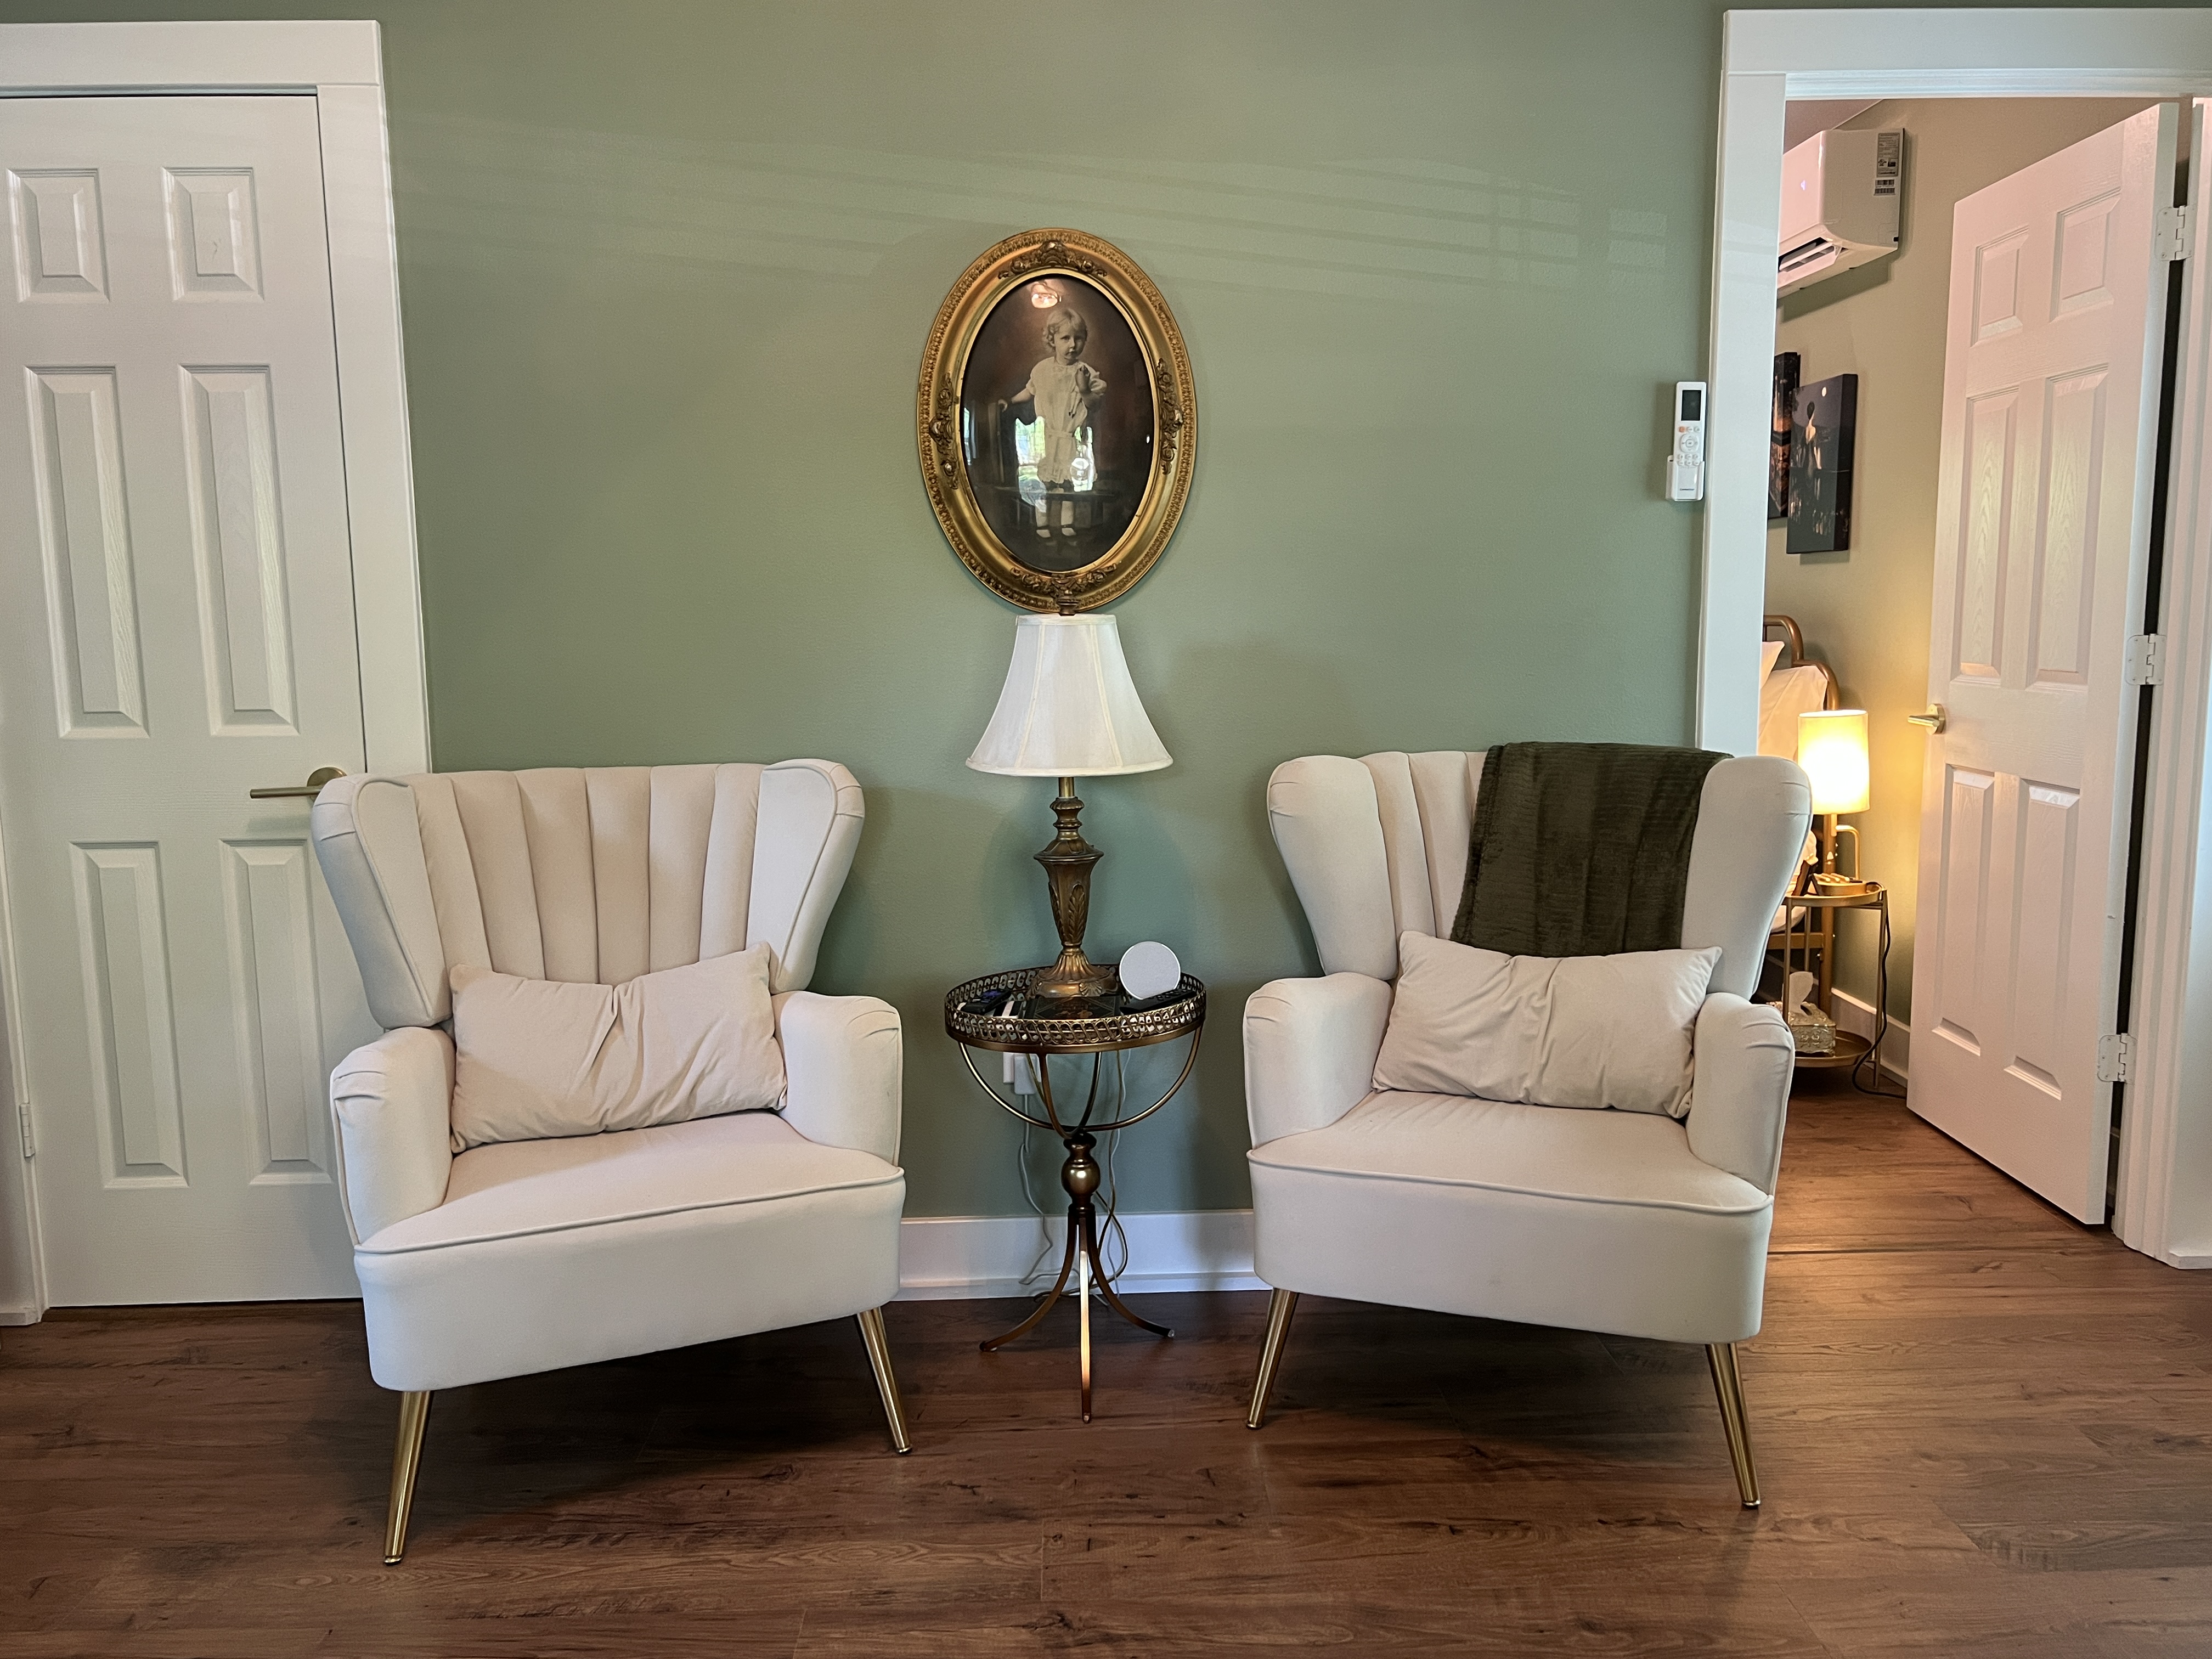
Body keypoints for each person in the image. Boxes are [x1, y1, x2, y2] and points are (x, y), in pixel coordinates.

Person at [1008, 305, 1104, 541]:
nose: (1073, 345)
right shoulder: (1042, 370)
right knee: (1045, 483)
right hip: (1046, 437)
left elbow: (1094, 403)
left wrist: (1083, 387)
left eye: (1079, 338)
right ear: (1053, 340)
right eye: (1066, 338)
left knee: (1068, 485)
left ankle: (1066, 523)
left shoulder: (1087, 373)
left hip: (1071, 437)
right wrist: (1009, 401)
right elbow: (1029, 391)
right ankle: (1042, 522)